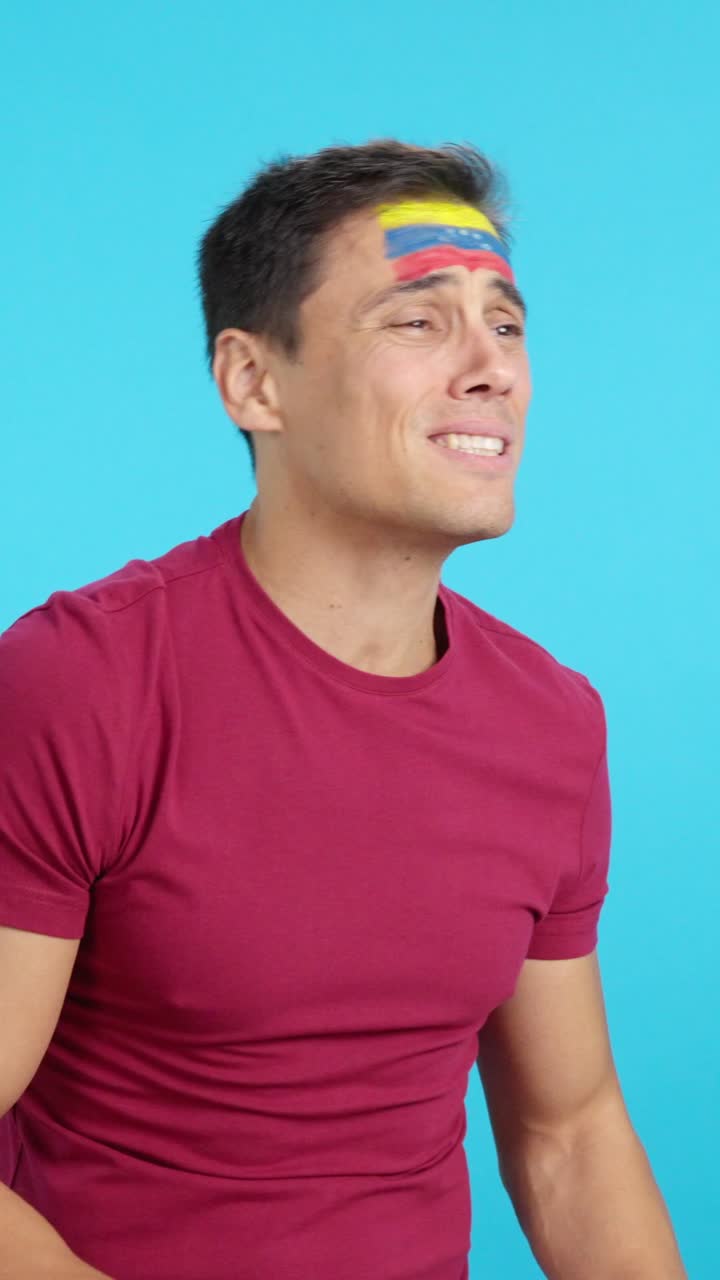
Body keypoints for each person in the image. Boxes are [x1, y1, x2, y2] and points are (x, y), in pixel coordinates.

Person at [0, 140, 687, 1280]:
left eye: (506, 325)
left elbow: (569, 1132)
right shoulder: (82, 679)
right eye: (418, 322)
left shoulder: (554, 723)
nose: (492, 369)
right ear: (253, 382)